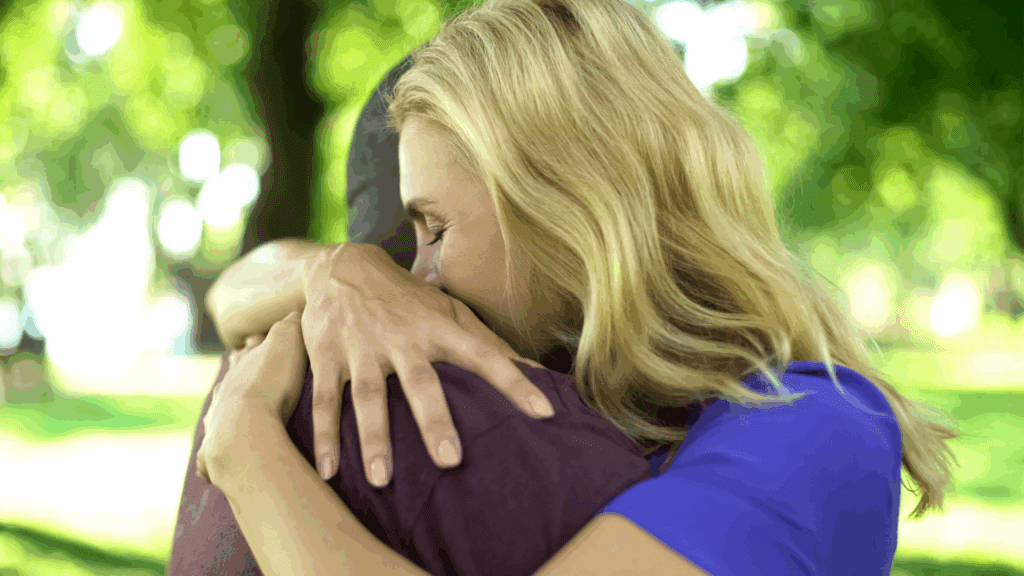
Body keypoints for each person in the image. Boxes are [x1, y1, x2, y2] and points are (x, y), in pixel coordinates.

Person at [170, 0, 961, 572]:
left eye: (436, 230)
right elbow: (235, 291)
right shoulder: (572, 387)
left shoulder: (813, 425)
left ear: (573, 210)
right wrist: (335, 272)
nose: (419, 277)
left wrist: (249, 451)